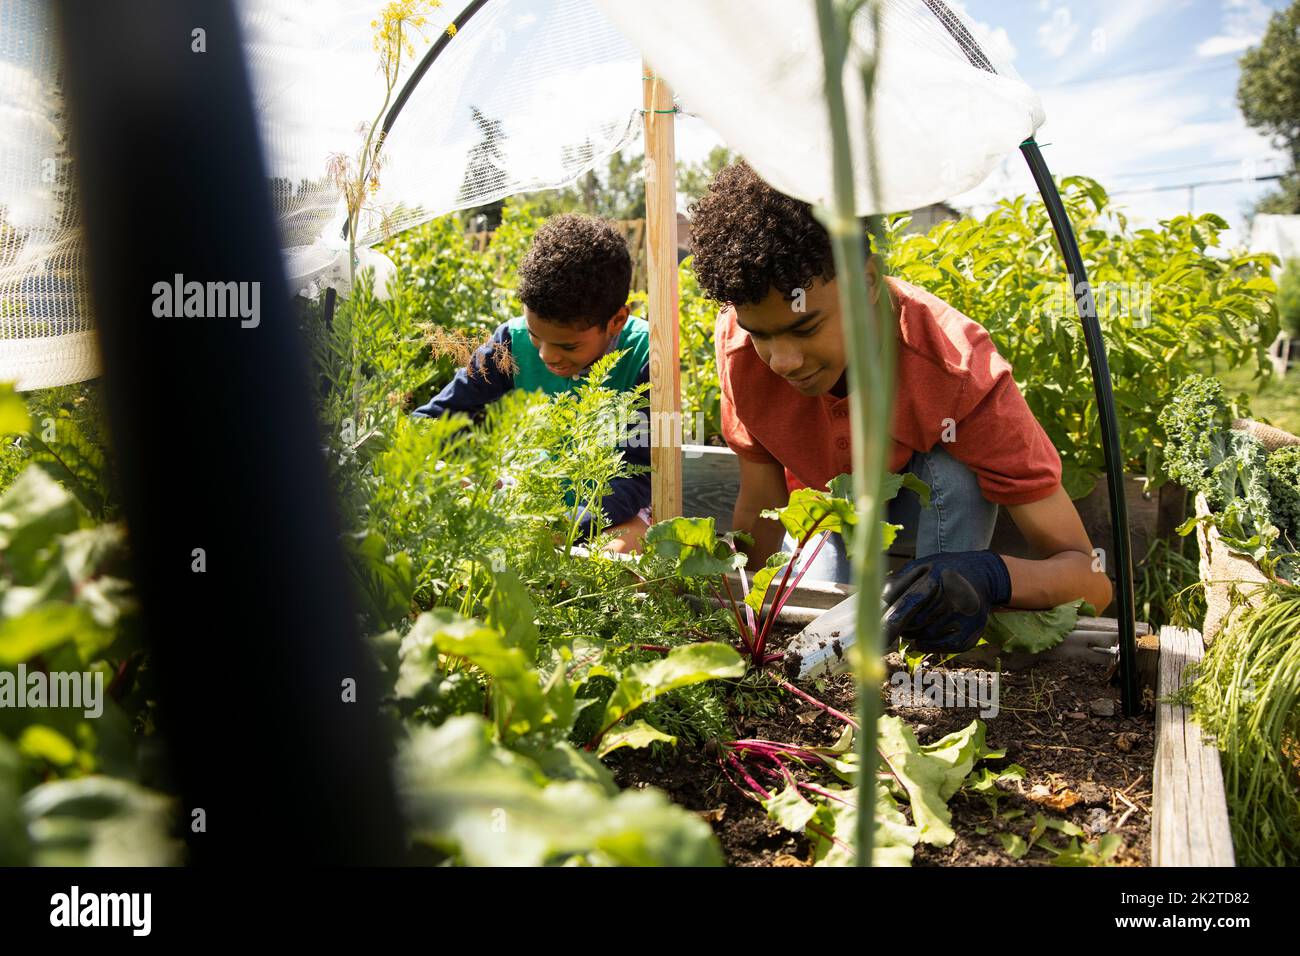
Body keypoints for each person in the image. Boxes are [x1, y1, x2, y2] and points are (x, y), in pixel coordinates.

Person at [689, 162, 1112, 652]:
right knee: (813, 633)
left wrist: (989, 576)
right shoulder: (741, 352)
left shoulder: (957, 371)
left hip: (932, 518)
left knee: (951, 474)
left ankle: (935, 652)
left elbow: (1092, 581)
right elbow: (759, 502)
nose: (782, 362)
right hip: (830, 514)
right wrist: (745, 625)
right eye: (761, 334)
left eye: (806, 329)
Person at [412, 214, 651, 553]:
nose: (546, 356)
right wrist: (444, 474)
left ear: (616, 321)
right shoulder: (511, 340)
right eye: (537, 337)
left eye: (568, 346)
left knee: (613, 556)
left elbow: (638, 477)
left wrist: (565, 524)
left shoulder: (645, 354)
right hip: (530, 498)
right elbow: (438, 416)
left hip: (614, 512)